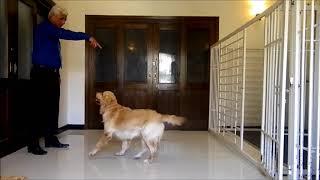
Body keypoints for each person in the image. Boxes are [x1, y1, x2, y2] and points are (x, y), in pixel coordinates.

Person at [28, 5, 102, 155]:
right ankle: (33, 144)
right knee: (39, 109)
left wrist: (57, 74)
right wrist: (87, 36)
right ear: (52, 17)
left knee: (52, 107)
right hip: (41, 73)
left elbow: (53, 54)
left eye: (65, 19)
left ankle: (50, 139)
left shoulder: (52, 32)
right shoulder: (45, 28)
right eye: (62, 19)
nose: (63, 22)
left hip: (52, 74)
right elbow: (67, 34)